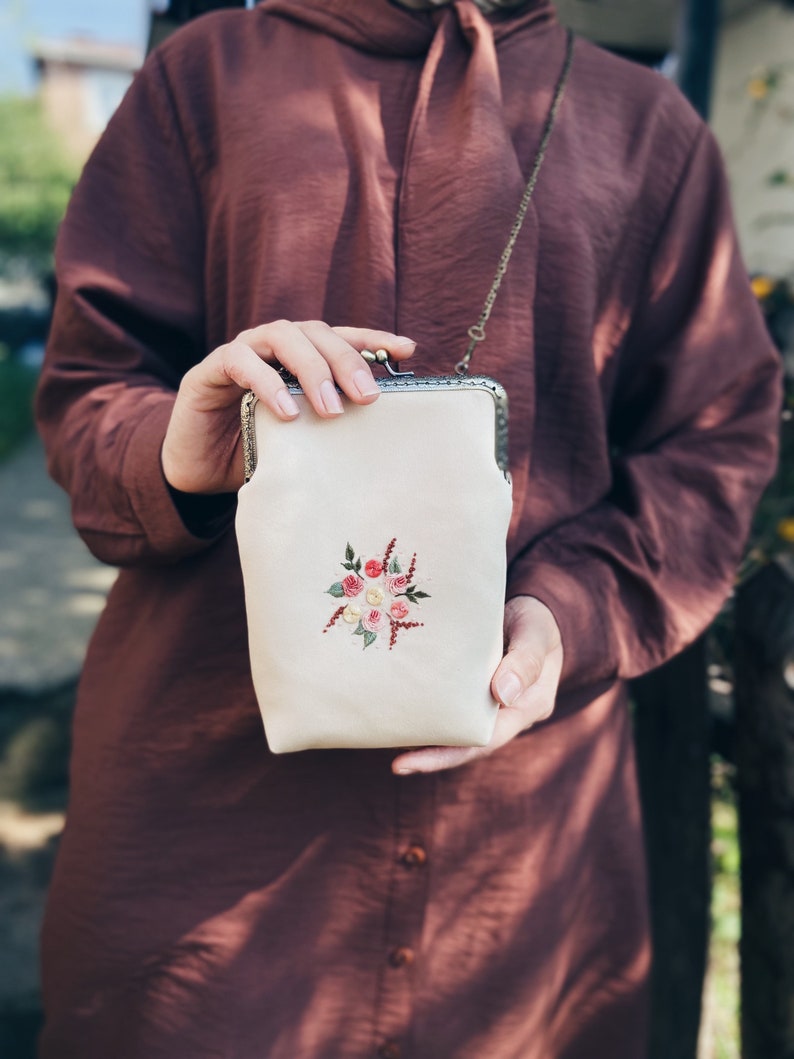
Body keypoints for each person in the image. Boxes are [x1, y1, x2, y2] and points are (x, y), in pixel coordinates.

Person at [35, 1, 781, 1056]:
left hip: (523, 843)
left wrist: (570, 613)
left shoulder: (648, 131)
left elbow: (715, 437)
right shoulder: (202, 81)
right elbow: (89, 382)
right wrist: (180, 447)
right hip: (206, 819)